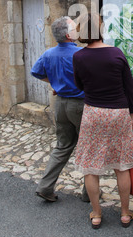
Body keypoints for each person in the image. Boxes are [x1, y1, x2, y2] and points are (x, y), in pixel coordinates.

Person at [73, 13, 133, 229]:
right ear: (100, 30)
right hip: (118, 113)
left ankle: (96, 214)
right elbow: (129, 88)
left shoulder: (78, 57)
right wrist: (132, 115)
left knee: (90, 167)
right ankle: (124, 213)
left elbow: (79, 86)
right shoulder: (116, 54)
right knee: (121, 166)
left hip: (93, 113)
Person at [31, 16, 89, 202]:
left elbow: (36, 72)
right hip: (79, 105)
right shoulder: (81, 54)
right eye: (74, 28)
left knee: (62, 146)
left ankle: (45, 187)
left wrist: (55, 84)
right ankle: (89, 193)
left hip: (61, 105)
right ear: (68, 35)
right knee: (87, 147)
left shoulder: (48, 54)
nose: (77, 30)